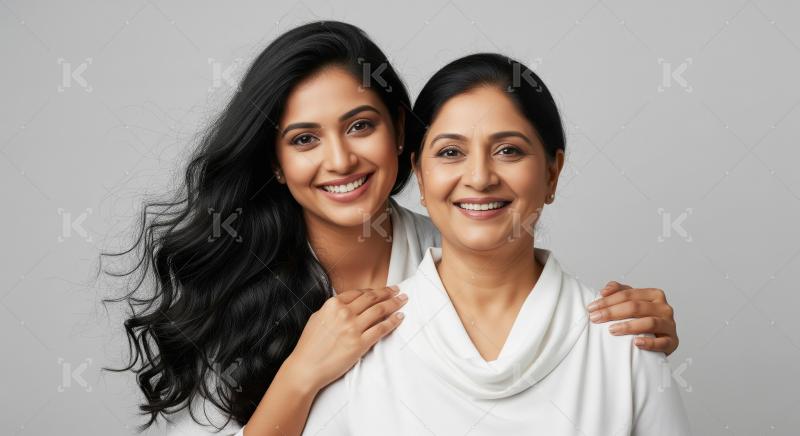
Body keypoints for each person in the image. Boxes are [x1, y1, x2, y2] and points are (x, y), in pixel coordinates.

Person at [103, 22, 681, 436]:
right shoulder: (230, 288)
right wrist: (302, 375)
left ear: (401, 133)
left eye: (360, 125)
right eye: (304, 139)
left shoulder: (458, 245)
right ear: (276, 161)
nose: (340, 161)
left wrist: (621, 336)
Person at [301, 53, 691, 435]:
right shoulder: (361, 345)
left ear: (552, 173)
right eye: (451, 152)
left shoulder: (624, 347)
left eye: (508, 151)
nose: (480, 177)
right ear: (420, 175)